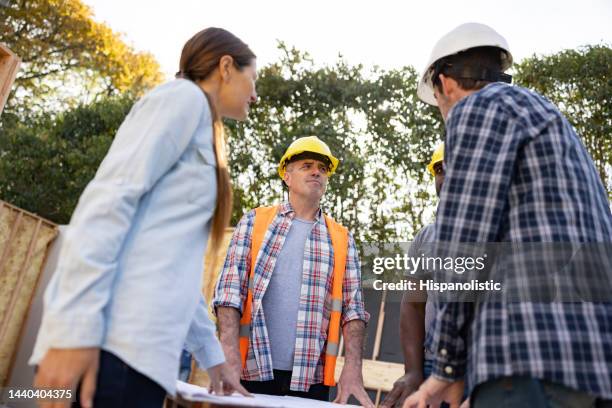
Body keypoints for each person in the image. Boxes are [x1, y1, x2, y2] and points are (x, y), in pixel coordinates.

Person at [30, 27, 257, 408]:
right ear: (226, 66)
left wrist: (214, 359)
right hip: (111, 350)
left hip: (140, 362)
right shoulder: (181, 99)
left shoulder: (203, 126)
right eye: (254, 79)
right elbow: (106, 205)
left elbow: (172, 268)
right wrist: (72, 331)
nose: (256, 94)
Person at [403, 22, 612, 408]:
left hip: (530, 358)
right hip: (590, 364)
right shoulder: (547, 117)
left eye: (438, 102)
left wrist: (446, 368)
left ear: (445, 84)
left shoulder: (477, 108)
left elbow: (463, 248)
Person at [213, 136, 374, 407]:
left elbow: (353, 311)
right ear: (286, 176)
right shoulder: (255, 222)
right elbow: (229, 293)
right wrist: (228, 354)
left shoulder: (341, 238)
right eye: (307, 165)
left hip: (311, 381)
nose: (316, 172)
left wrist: (353, 369)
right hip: (250, 372)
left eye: (323, 169)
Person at [381, 143, 446, 408]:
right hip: (430, 364)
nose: (447, 174)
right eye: (440, 169)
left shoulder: (497, 232)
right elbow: (413, 305)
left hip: (478, 369)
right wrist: (414, 371)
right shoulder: (425, 237)